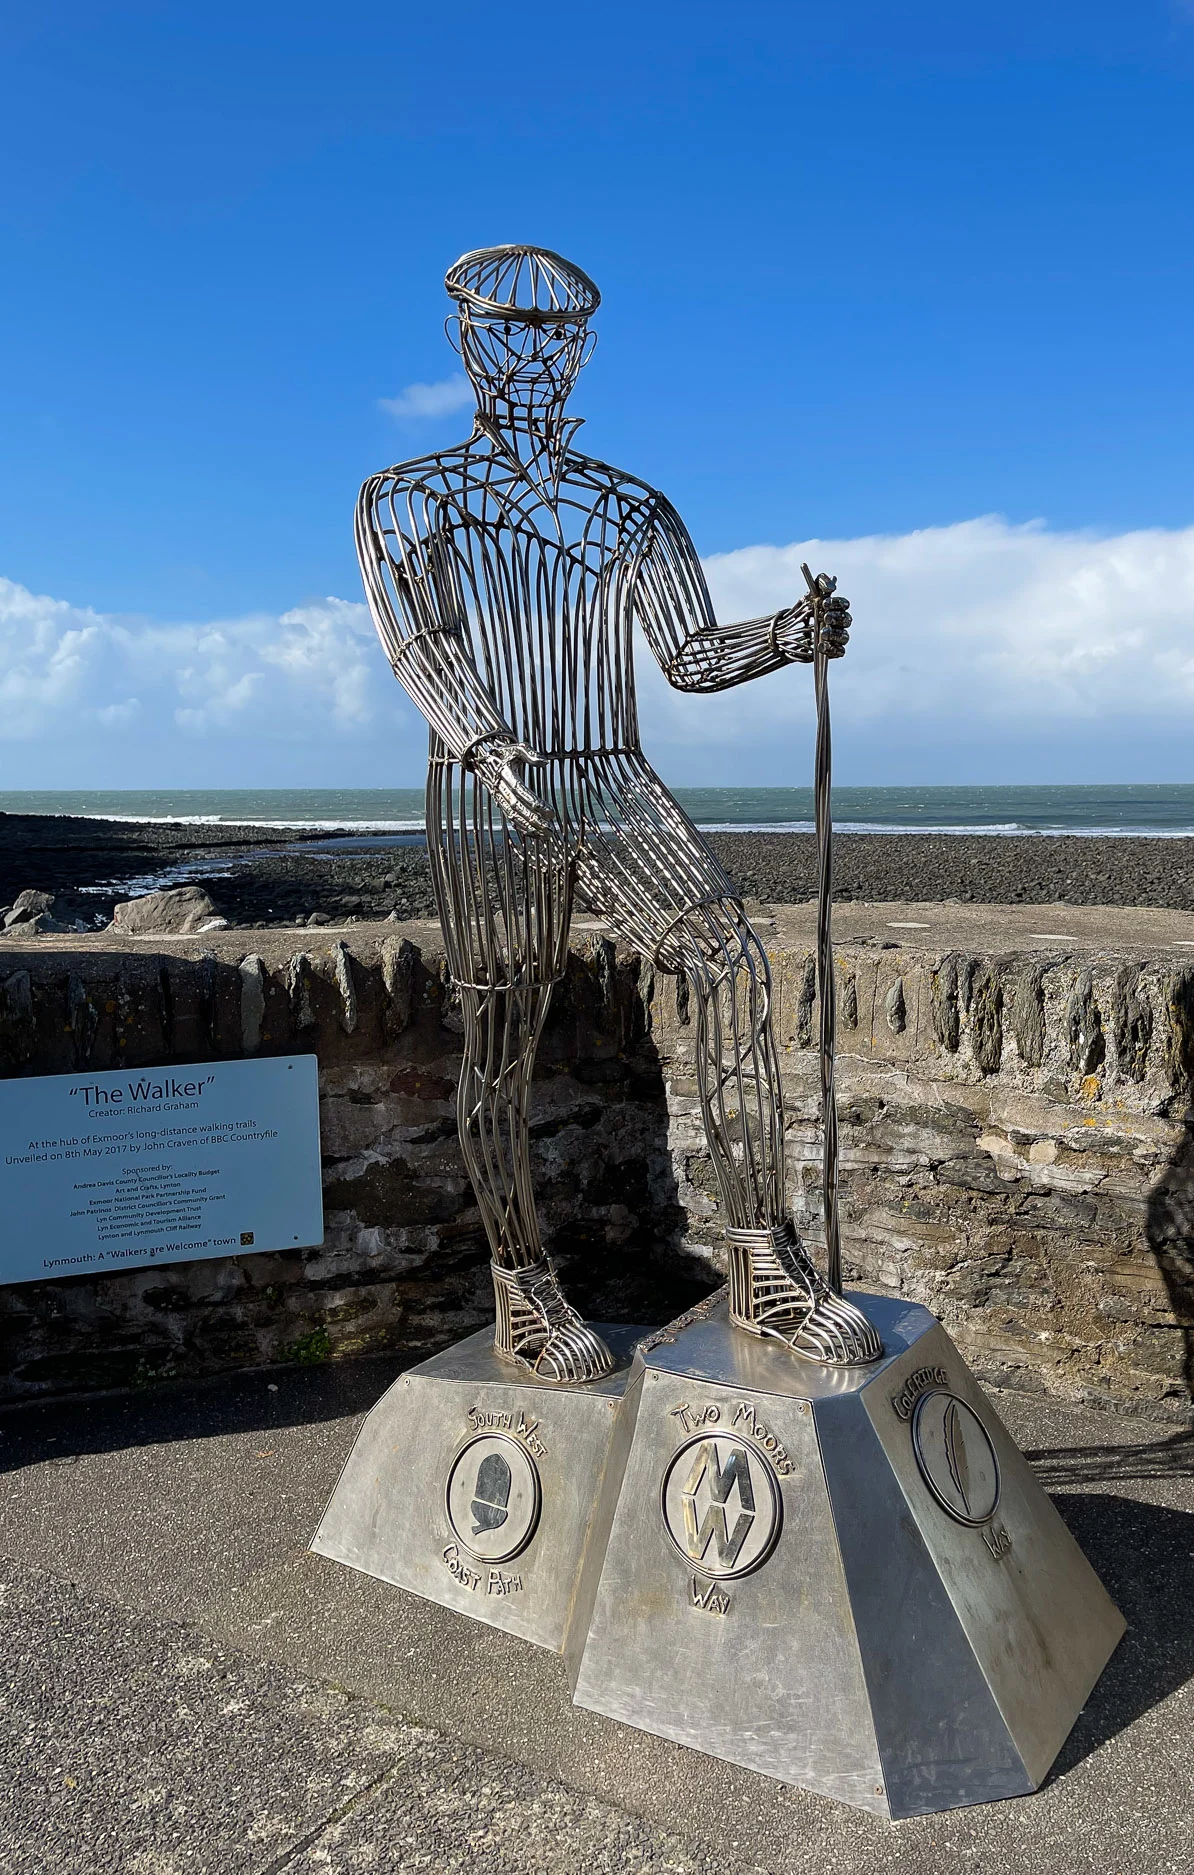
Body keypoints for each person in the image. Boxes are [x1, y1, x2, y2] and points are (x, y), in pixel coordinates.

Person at [356, 245, 881, 1381]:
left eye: (554, 336)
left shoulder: (630, 511)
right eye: (507, 332)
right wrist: (491, 747)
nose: (533, 358)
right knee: (502, 1033)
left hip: (612, 778)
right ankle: (524, 1286)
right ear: (466, 340)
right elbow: (420, 645)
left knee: (730, 963)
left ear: (582, 346)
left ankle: (759, 1258)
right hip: (493, 787)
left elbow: (688, 656)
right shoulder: (406, 500)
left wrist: (785, 639)